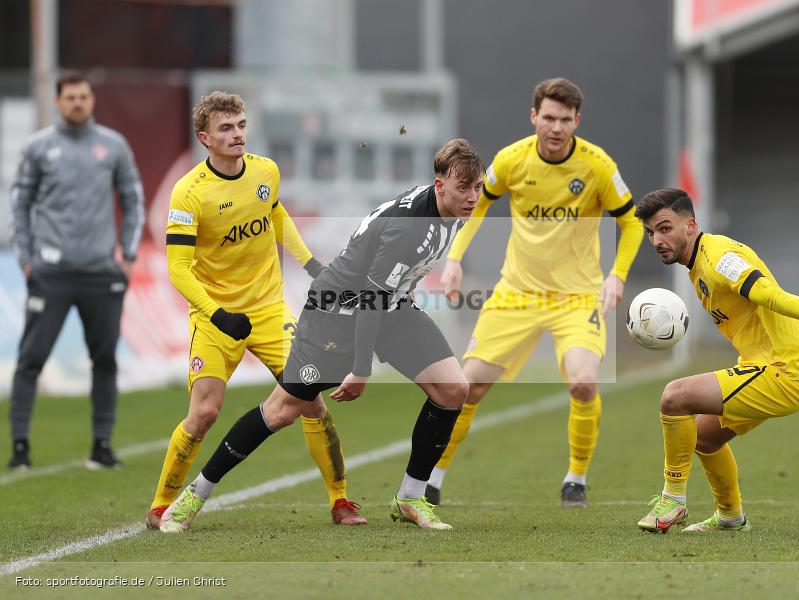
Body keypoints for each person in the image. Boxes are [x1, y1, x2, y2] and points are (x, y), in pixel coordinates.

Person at [157, 138, 482, 533]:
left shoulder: (450, 211)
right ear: (439, 185)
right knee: (283, 410)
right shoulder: (408, 227)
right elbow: (369, 298)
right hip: (338, 313)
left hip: (388, 307)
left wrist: (409, 284)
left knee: (453, 389)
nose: (472, 197)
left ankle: (411, 498)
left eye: (478, 187)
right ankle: (195, 494)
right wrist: (361, 368)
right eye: (463, 188)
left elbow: (386, 281)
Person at [145, 91, 366, 529]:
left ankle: (340, 501)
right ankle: (161, 505)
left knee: (310, 401)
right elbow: (179, 269)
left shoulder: (266, 171)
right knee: (205, 412)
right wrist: (216, 313)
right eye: (226, 128)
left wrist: (311, 264)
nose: (238, 134)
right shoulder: (189, 193)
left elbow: (276, 213)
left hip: (267, 310)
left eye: (242, 125)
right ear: (205, 137)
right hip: (216, 317)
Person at [426, 78, 644, 508]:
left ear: (577, 121)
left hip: (577, 298)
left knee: (583, 382)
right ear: (534, 117)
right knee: (466, 388)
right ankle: (431, 478)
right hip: (517, 294)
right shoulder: (511, 160)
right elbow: (479, 203)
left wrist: (617, 275)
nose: (556, 127)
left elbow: (632, 221)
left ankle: (575, 479)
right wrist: (454, 258)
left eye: (565, 119)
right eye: (548, 117)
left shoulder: (598, 166)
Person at [633, 187, 799, 533]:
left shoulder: (720, 257)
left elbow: (769, 295)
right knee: (704, 438)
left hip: (780, 372)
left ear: (690, 225)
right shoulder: (696, 267)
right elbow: (764, 319)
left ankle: (673, 501)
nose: (657, 239)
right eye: (650, 232)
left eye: (665, 228)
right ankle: (731, 518)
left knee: (674, 396)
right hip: (777, 366)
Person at [7, 71, 144, 470]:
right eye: (70, 97)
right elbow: (19, 202)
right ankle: (20, 449)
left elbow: (134, 198)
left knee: (105, 361)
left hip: (102, 273)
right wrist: (26, 258)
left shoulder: (113, 146)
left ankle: (102, 446)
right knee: (31, 359)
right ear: (57, 101)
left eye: (84, 96)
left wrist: (130, 254)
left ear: (92, 100)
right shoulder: (38, 147)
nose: (78, 103)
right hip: (50, 274)